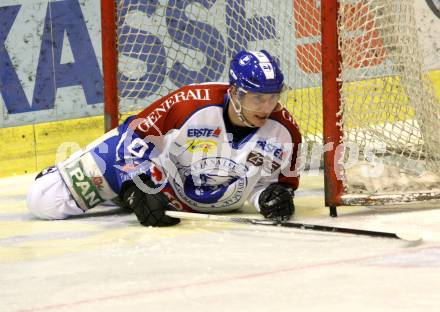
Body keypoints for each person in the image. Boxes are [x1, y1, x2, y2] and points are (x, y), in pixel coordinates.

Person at [26, 50, 302, 226]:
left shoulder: (286, 133)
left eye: (273, 97)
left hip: (179, 193)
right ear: (234, 93)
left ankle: (119, 199)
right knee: (43, 201)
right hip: (144, 166)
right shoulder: (187, 103)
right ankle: (108, 189)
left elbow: (267, 185)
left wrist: (269, 198)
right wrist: (137, 188)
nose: (267, 107)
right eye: (258, 98)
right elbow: (133, 138)